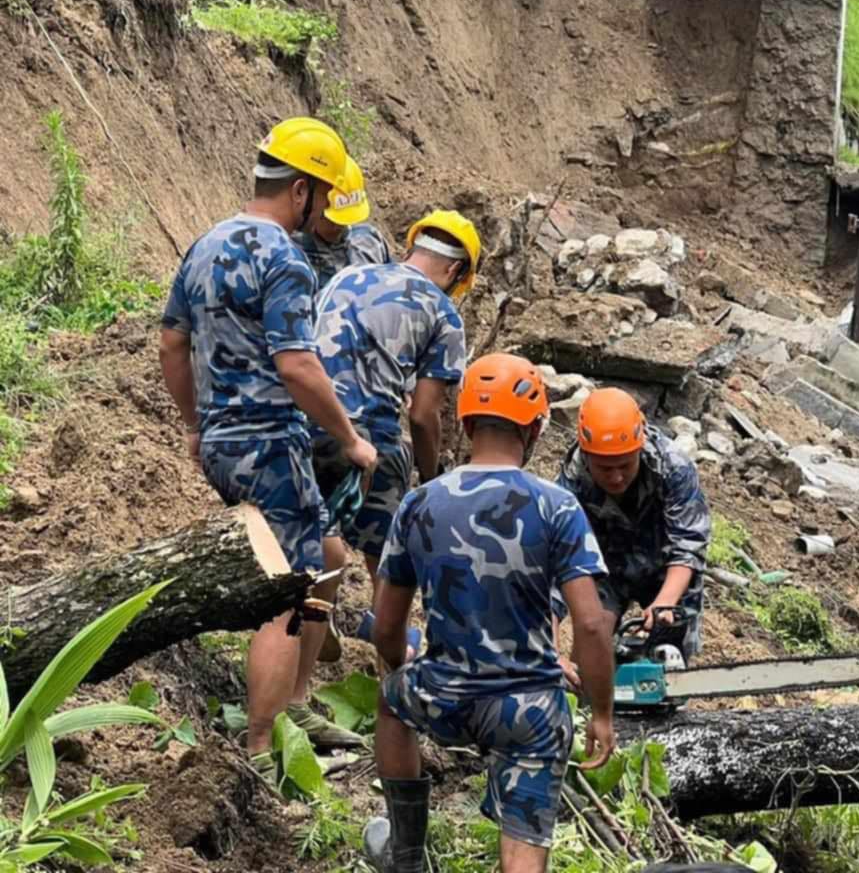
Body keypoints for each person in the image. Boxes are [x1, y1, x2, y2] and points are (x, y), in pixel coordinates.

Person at [158, 116, 378, 774]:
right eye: (323, 196)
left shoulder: (205, 244)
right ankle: (262, 748)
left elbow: (172, 343)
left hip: (225, 442)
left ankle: (297, 705)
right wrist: (351, 439)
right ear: (304, 190)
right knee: (287, 591)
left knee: (327, 554)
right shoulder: (283, 257)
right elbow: (297, 366)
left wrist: (197, 425)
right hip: (270, 444)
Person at [365, 353, 616, 873]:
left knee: (392, 705)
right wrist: (602, 713)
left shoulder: (419, 503)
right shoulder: (556, 506)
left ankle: (407, 856)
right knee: (523, 850)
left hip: (445, 694)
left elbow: (387, 624)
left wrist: (401, 668)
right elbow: (590, 623)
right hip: (528, 713)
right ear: (538, 426)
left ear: (464, 420)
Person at [310, 210, 480, 652]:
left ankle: (316, 604)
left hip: (302, 411)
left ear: (411, 248)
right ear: (456, 270)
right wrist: (431, 476)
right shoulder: (444, 315)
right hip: (367, 434)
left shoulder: (348, 275)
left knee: (317, 523)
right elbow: (423, 416)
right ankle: (389, 635)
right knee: (389, 535)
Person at [554, 388, 711, 677]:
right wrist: (549, 651)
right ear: (587, 456)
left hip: (667, 567)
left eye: (625, 465)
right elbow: (557, 561)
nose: (616, 477)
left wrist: (665, 601)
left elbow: (688, 545)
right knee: (592, 640)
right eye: (604, 468)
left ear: (639, 449)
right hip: (604, 566)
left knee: (669, 653)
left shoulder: (673, 466)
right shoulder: (570, 483)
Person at [291, 158, 392, 292]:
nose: (338, 227)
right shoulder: (294, 254)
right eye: (333, 220)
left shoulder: (370, 241)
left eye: (345, 219)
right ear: (316, 204)